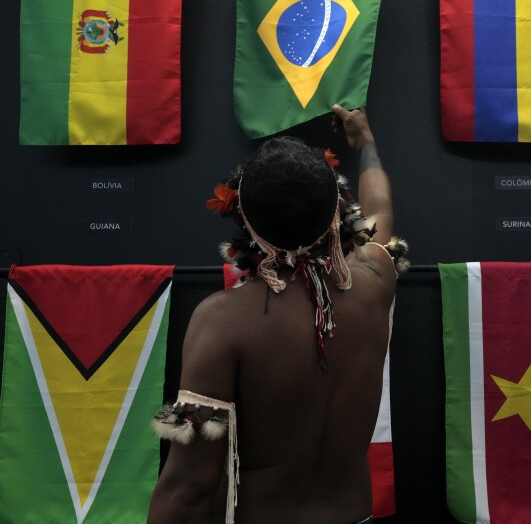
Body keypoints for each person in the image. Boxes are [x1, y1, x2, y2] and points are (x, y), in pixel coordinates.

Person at [147, 105, 406, 524]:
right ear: (337, 215)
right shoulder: (375, 279)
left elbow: (189, 486)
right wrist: (366, 143)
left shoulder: (222, 321)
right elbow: (380, 212)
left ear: (243, 218)